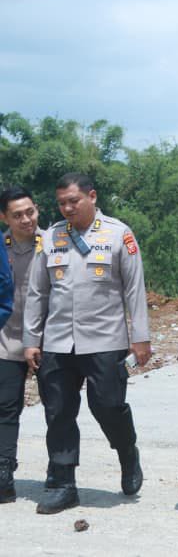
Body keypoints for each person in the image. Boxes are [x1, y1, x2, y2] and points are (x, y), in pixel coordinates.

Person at [23, 173, 151, 514]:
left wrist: (140, 338)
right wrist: (31, 339)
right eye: (61, 203)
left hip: (105, 339)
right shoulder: (51, 237)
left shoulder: (118, 234)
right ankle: (63, 483)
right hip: (57, 341)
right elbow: (37, 292)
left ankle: (127, 451)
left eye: (73, 201)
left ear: (91, 196)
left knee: (108, 406)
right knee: (58, 412)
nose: (67, 208)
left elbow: (134, 288)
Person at [1, 186, 41, 504]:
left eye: (30, 212)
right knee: (5, 407)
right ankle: (4, 474)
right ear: (5, 218)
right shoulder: (0, 247)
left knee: (59, 410)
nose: (26, 219)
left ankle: (61, 473)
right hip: (8, 339)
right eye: (18, 215)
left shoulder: (55, 243)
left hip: (49, 341)